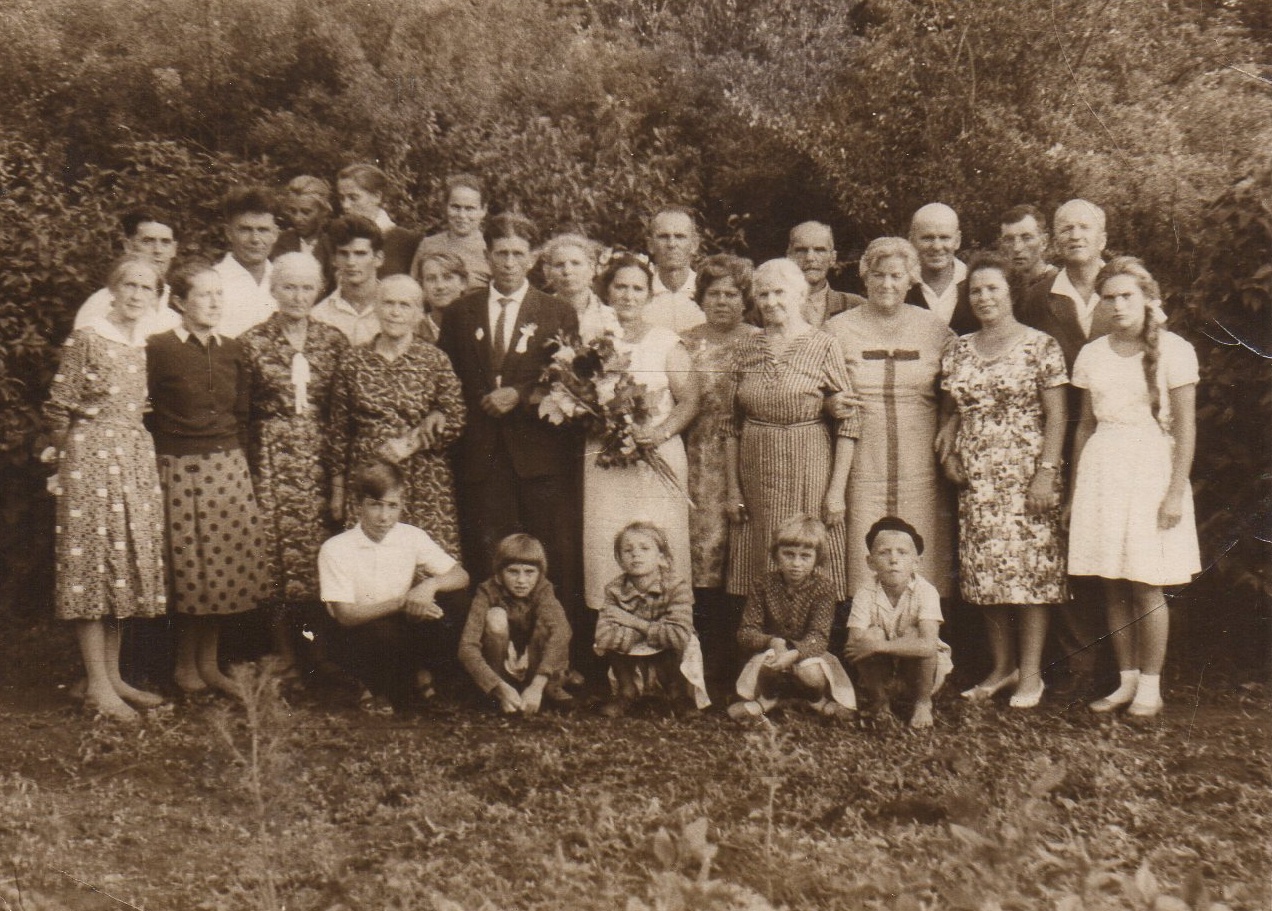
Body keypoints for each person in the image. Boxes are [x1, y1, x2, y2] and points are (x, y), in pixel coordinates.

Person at [1068, 257, 1199, 718]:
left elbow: (1185, 427)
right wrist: (1075, 493)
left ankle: (1150, 685)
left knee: (1146, 583)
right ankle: (1125, 681)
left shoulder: (1175, 350)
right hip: (1102, 470)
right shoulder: (1092, 354)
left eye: (1127, 296)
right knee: (1112, 582)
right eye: (1109, 298)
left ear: (1148, 299)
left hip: (1150, 470)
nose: (1118, 305)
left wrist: (1175, 492)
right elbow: (1084, 426)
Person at [939, 252, 1069, 709]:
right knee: (987, 576)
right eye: (976, 290)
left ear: (1011, 293)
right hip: (979, 480)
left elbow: (1057, 416)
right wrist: (949, 451)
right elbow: (951, 409)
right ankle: (1002, 667)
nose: (984, 297)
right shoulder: (958, 349)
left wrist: (1046, 474)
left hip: (1027, 474)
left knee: (1032, 576)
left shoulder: (1041, 346)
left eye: (993, 288)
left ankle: (1031, 674)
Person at [44, 256, 169, 721]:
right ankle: (96, 685)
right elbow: (58, 407)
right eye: (129, 285)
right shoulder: (88, 337)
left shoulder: (144, 345)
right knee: (90, 568)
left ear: (156, 297)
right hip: (90, 463)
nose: (137, 294)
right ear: (113, 290)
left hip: (132, 459)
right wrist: (66, 465)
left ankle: (113, 677)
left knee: (121, 567)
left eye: (146, 288)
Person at [437, 213, 581, 601]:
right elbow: (445, 380)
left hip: (538, 456)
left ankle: (548, 635)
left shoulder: (556, 311)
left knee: (545, 554)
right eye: (501, 253)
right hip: (481, 456)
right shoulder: (460, 312)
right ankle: (490, 634)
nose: (509, 263)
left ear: (533, 258)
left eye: (518, 253)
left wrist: (519, 393)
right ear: (487, 255)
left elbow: (569, 381)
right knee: (488, 557)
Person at [147, 259, 269, 694]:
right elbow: (144, 412)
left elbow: (242, 413)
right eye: (204, 294)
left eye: (219, 294)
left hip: (228, 469)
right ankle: (185, 668)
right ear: (179, 302)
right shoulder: (159, 348)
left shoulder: (233, 349)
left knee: (221, 570)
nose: (215, 302)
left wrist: (241, 465)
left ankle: (210, 664)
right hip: (181, 469)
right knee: (191, 571)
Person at [1019, 198, 1116, 699]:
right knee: (1066, 543)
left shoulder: (1124, 286)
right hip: (1061, 432)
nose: (1075, 235)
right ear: (1054, 240)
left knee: (1117, 544)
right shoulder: (1038, 298)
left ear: (1103, 237)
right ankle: (1080, 665)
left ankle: (1126, 667)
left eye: (1084, 227)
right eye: (1065, 228)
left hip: (1117, 433)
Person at [825, 237, 957, 600]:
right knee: (864, 551)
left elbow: (963, 386)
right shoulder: (837, 329)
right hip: (862, 460)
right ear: (865, 277)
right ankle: (865, 628)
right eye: (878, 275)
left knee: (922, 551)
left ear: (911, 279)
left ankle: (924, 629)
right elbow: (814, 385)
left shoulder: (934, 329)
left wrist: (952, 423)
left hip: (920, 461)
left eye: (896, 276)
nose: (887, 284)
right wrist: (830, 402)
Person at [241, 252, 349, 674]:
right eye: (289, 287)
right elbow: (242, 412)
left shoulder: (333, 341)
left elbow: (341, 410)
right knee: (274, 554)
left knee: (319, 551)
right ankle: (284, 649)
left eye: (306, 287)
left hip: (320, 458)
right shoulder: (251, 342)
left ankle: (318, 650)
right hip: (271, 460)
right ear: (273, 289)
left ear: (318, 290)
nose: (298, 296)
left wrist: (339, 475)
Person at [726, 258, 859, 601]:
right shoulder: (746, 347)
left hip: (808, 465)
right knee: (761, 554)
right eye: (763, 294)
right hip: (756, 467)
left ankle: (815, 632)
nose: (771, 302)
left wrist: (836, 492)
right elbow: (730, 425)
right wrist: (733, 490)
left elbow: (849, 421)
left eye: (779, 293)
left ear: (799, 295)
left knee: (806, 546)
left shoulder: (823, 344)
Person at [582, 254, 699, 614]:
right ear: (607, 291)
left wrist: (658, 433)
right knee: (608, 536)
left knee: (659, 536)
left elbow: (690, 400)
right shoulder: (590, 343)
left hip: (655, 456)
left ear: (649, 295)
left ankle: (668, 623)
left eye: (637, 288)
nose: (628, 296)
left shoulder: (666, 342)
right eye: (621, 287)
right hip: (606, 460)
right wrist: (601, 422)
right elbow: (578, 399)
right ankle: (611, 625)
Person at [327, 274, 466, 560]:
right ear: (376, 308)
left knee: (425, 560)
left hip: (423, 477)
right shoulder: (353, 360)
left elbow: (456, 416)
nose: (395, 312)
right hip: (370, 476)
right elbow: (339, 430)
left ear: (418, 313)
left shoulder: (434, 359)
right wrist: (338, 491)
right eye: (388, 303)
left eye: (405, 305)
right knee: (369, 558)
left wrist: (410, 444)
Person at [318, 461, 470, 714]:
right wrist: (403, 602)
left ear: (402, 505)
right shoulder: (336, 548)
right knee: (382, 633)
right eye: (375, 505)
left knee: (457, 602)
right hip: (359, 631)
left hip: (399, 624)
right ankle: (375, 688)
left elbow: (460, 575)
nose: (384, 516)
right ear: (358, 505)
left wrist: (430, 585)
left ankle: (424, 677)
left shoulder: (411, 536)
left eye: (392, 506)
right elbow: (346, 616)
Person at [679, 254, 760, 689]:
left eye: (732, 293)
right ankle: (707, 663)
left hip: (752, 454)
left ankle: (744, 663)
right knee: (705, 556)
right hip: (697, 459)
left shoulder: (760, 341)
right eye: (714, 293)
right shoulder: (685, 342)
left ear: (746, 299)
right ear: (701, 297)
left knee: (745, 554)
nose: (723, 301)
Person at [729, 515, 856, 722]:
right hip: (772, 651)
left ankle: (816, 700)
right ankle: (767, 700)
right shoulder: (762, 584)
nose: (796, 563)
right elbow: (746, 631)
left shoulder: (824, 588)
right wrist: (773, 642)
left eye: (805, 556)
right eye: (788, 554)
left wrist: (795, 653)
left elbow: (819, 635)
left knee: (811, 674)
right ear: (776, 554)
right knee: (768, 665)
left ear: (817, 558)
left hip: (809, 653)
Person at [844, 517, 953, 729]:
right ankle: (880, 702)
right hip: (882, 671)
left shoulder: (926, 591)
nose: (893, 560)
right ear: (870, 562)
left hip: (920, 673)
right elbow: (853, 644)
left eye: (902, 553)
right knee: (871, 634)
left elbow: (928, 645)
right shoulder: (865, 592)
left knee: (914, 634)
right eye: (884, 552)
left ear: (916, 562)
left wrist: (879, 646)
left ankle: (923, 703)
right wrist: (873, 642)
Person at [593, 521, 708, 717]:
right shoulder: (614, 589)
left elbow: (678, 633)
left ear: (661, 557)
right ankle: (627, 691)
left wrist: (634, 623)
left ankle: (677, 695)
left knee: (687, 641)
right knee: (610, 644)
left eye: (645, 548)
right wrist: (649, 632)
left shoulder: (676, 587)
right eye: (627, 550)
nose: (635, 554)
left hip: (669, 650)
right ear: (619, 559)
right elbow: (603, 636)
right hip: (632, 650)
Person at [458, 533, 576, 715]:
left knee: (551, 624)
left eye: (529, 572)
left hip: (535, 666)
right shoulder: (486, 591)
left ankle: (548, 686)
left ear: (540, 574)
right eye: (513, 571)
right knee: (495, 616)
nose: (521, 580)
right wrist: (498, 686)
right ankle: (500, 694)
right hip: (500, 669)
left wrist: (537, 685)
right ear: (499, 574)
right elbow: (467, 647)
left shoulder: (543, 589)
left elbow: (562, 632)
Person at [73, 211, 181, 337]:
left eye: (165, 242)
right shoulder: (102, 302)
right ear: (128, 246)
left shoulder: (179, 301)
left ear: (174, 249)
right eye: (147, 241)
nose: (158, 250)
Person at [212, 187, 280, 338]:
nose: (255, 239)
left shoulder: (286, 280)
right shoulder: (212, 281)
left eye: (263, 230)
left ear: (275, 234)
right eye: (245, 230)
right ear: (228, 233)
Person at [335, 163, 420, 277]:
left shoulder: (407, 241)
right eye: (342, 198)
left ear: (377, 196)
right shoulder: (335, 239)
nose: (345, 205)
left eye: (353, 198)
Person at [310, 215, 384, 347]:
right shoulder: (319, 316)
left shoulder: (398, 310)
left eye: (360, 253)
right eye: (343, 254)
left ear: (378, 258)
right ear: (334, 259)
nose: (351, 262)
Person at [410, 173, 490, 291]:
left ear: (483, 210)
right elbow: (412, 291)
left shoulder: (491, 249)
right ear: (445, 207)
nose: (462, 215)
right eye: (455, 207)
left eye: (470, 209)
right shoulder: (428, 245)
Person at [905, 203, 976, 336]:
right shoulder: (899, 288)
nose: (937, 246)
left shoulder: (976, 285)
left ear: (957, 240)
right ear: (911, 240)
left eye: (944, 238)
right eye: (927, 238)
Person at [541, 232, 619, 343]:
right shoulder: (539, 314)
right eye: (559, 265)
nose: (567, 271)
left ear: (591, 268)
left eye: (576, 263)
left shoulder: (612, 316)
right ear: (548, 272)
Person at [786, 221, 865, 327]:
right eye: (801, 250)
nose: (810, 258)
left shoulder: (856, 306)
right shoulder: (770, 305)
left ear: (832, 258)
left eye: (819, 250)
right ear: (789, 256)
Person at [644, 206, 706, 333]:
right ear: (650, 245)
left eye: (680, 236)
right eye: (663, 236)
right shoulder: (639, 294)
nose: (671, 244)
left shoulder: (708, 292)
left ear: (694, 244)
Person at [272, 175, 335, 288]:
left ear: (323, 211)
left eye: (306, 212)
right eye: (293, 211)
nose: (297, 218)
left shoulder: (332, 244)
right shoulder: (280, 242)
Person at [998, 204, 1057, 297]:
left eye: (1026, 238)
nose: (1017, 248)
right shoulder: (1002, 288)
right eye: (1009, 240)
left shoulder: (1059, 284)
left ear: (1044, 242)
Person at [416, 250, 469, 342]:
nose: (440, 286)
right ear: (421, 286)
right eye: (431, 279)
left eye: (447, 277)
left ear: (463, 283)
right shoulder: (413, 329)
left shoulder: (476, 325)